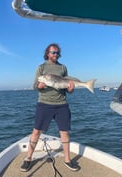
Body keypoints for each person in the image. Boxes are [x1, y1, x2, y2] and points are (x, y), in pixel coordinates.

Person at [20, 43, 79, 172]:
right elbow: (35, 85)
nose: (55, 55)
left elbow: (66, 88)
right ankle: (28, 158)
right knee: (36, 132)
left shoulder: (63, 67)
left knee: (65, 132)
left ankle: (67, 160)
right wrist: (39, 86)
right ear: (47, 53)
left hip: (61, 104)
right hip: (44, 104)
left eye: (57, 53)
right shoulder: (41, 67)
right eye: (53, 52)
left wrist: (71, 89)